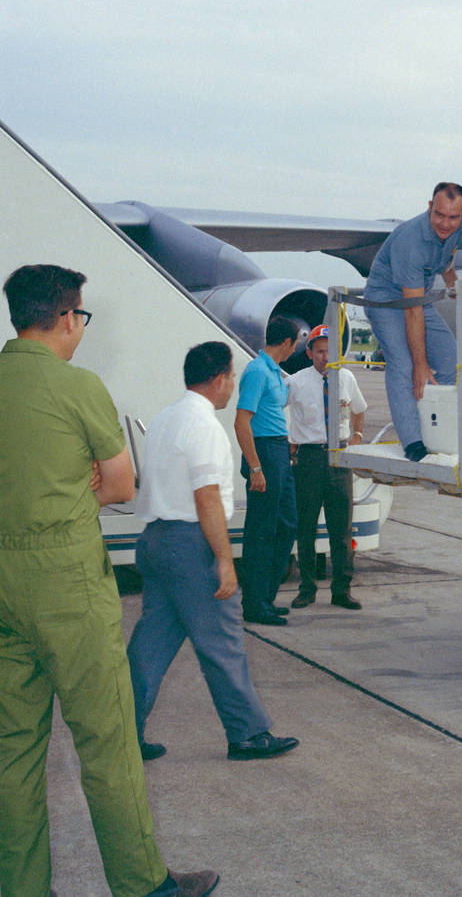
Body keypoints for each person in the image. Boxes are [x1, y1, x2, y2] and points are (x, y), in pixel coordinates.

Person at [0, 265, 218, 897]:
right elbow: (122, 485)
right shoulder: (79, 388)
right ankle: (143, 885)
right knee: (106, 738)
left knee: (12, 750)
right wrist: (78, 487)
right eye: (81, 318)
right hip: (65, 578)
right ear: (67, 317)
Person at [128, 341, 300, 764]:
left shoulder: (167, 418)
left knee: (149, 646)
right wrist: (224, 559)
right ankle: (247, 734)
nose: (233, 388)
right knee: (222, 641)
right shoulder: (204, 426)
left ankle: (121, 734)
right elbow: (206, 498)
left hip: (155, 540)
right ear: (220, 379)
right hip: (190, 544)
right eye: (232, 379)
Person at [363, 182, 462, 461]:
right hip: (387, 302)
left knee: (451, 358)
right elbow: (411, 311)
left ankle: (443, 431)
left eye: (453, 217)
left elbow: (447, 260)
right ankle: (413, 441)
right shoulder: (411, 240)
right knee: (405, 364)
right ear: (430, 207)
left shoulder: (456, 229)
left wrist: (454, 286)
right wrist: (421, 364)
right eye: (439, 215)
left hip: (418, 297)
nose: (445, 223)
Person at [287, 324, 366, 610]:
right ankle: (307, 588)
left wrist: (357, 436)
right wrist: (289, 440)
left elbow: (358, 408)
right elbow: (276, 410)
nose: (324, 357)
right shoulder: (296, 382)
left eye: (329, 351)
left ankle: (341, 590)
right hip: (308, 460)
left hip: (339, 459)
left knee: (341, 530)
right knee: (306, 528)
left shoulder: (346, 378)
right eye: (319, 351)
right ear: (309, 353)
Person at [234, 316, 300, 625]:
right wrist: (256, 468)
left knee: (287, 523)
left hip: (278, 449)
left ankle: (266, 597)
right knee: (262, 530)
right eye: (295, 343)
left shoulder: (274, 372)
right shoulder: (257, 371)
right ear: (287, 343)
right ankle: (254, 604)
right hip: (263, 453)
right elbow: (242, 421)